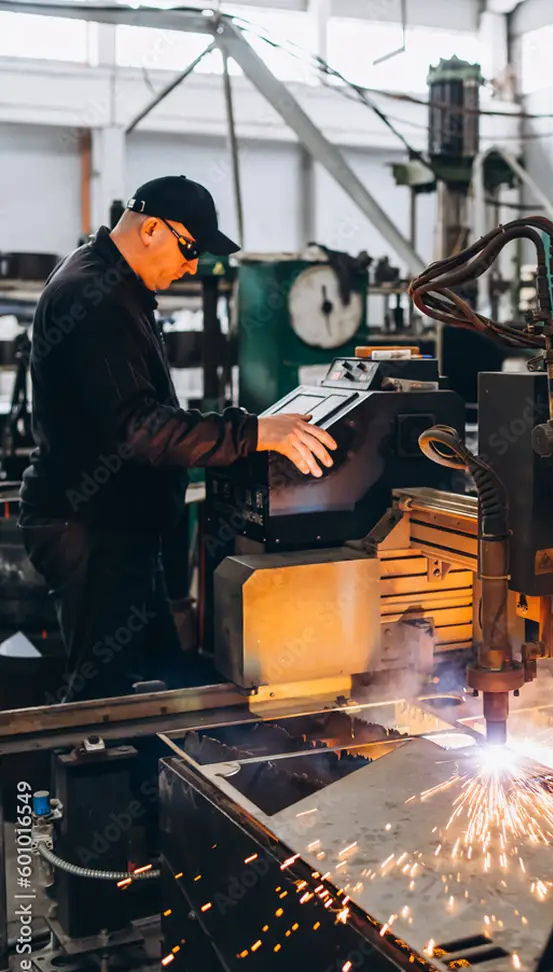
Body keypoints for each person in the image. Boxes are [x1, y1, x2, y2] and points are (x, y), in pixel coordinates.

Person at [18, 175, 336, 703]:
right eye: (190, 249)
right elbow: (137, 429)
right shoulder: (95, 297)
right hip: (92, 532)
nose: (192, 267)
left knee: (156, 683)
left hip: (115, 526)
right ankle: (89, 781)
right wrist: (252, 434)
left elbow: (147, 409)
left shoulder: (117, 288)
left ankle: (153, 777)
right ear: (149, 230)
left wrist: (241, 428)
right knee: (104, 701)